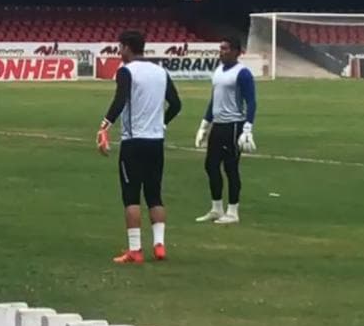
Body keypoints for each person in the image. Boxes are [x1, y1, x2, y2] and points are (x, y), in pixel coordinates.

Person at [97, 31, 181, 264]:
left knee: (131, 196)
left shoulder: (126, 71)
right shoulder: (160, 71)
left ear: (126, 48)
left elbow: (120, 99)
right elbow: (176, 104)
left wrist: (104, 125)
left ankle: (135, 250)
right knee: (154, 194)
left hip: (133, 142)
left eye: (119, 47)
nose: (118, 52)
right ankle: (159, 245)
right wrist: (161, 123)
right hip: (156, 142)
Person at [194, 37, 257, 225]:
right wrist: (205, 124)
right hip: (218, 125)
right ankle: (216, 208)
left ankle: (233, 211)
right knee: (211, 165)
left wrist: (247, 128)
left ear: (237, 51)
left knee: (230, 167)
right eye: (220, 48)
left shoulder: (242, 73)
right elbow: (214, 99)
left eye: (226, 49)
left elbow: (251, 101)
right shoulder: (218, 71)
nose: (222, 52)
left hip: (233, 125)